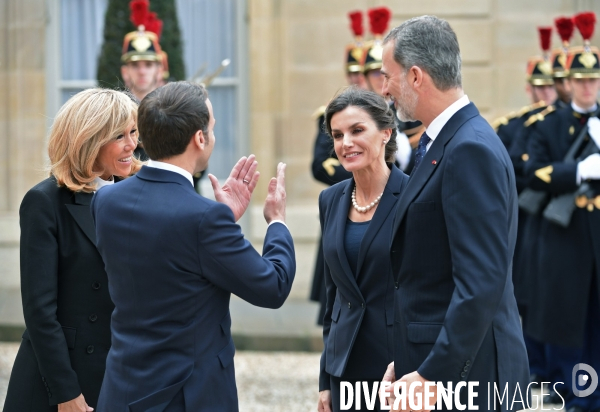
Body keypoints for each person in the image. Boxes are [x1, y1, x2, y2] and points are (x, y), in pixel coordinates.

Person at [91, 81, 295, 411]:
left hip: (122, 388)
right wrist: (277, 223)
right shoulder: (203, 219)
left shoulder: (106, 199)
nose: (212, 134)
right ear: (199, 139)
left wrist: (221, 219)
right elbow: (272, 286)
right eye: (211, 128)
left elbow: (164, 259)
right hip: (186, 396)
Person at [379, 16, 529, 411]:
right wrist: (413, 357)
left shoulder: (469, 149)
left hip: (469, 378)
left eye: (386, 75)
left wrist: (434, 373)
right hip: (447, 368)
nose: (383, 88)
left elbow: (480, 282)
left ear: (415, 76)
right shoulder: (443, 142)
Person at [3, 88, 141, 412]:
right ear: (89, 140)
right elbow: (39, 312)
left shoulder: (136, 195)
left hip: (120, 375)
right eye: (119, 135)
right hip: (60, 382)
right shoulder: (44, 202)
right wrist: (66, 392)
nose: (132, 144)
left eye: (133, 132)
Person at [524, 12, 600, 412]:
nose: (588, 87)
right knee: (569, 319)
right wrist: (579, 170)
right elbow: (533, 171)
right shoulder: (549, 125)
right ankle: (576, 395)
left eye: (594, 79)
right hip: (566, 236)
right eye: (582, 80)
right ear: (569, 83)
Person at [316, 87, 407, 412]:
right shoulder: (330, 200)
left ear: (385, 132)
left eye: (357, 131)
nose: (346, 143)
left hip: (397, 366)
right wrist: (326, 380)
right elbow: (334, 297)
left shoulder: (414, 197)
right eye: (338, 135)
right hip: (345, 367)